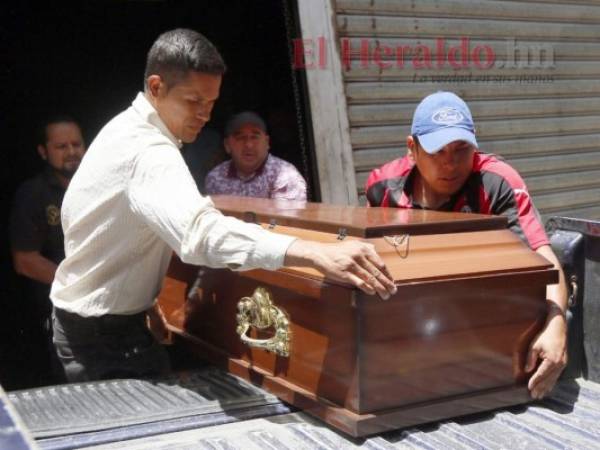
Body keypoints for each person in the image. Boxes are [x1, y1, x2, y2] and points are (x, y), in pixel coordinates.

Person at [50, 28, 396, 382]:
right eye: (193, 101)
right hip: (104, 341)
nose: (204, 115)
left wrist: (140, 300)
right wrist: (315, 252)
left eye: (211, 103)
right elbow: (200, 234)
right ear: (156, 88)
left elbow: (101, 225)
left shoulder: (122, 129)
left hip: (104, 326)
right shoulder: (148, 153)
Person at [366, 91, 568, 400]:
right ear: (412, 149)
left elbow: (543, 260)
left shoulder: (498, 182)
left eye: (461, 149)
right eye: (437, 151)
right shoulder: (382, 187)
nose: (450, 164)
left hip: (484, 322)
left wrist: (556, 325)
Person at [9, 116, 86, 384]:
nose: (72, 152)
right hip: (59, 312)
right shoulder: (32, 193)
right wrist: (83, 286)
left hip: (108, 310)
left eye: (77, 144)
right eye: (61, 146)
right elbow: (25, 260)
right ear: (43, 152)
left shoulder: (98, 187)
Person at [204, 111, 307, 200]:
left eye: (254, 137)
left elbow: (286, 222)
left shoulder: (286, 176)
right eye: (240, 138)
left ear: (267, 142)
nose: (249, 144)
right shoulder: (216, 178)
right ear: (227, 145)